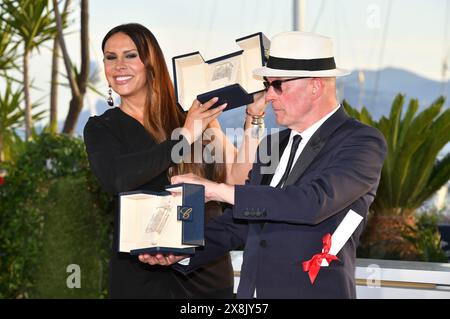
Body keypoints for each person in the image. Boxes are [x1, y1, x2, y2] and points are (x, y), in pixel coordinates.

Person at [139, 31, 388, 299]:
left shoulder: (361, 141)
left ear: (316, 86)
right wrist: (177, 250)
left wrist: (216, 190)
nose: (268, 96)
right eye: (267, 84)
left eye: (278, 84)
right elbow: (242, 222)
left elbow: (312, 202)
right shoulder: (275, 144)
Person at [83, 23, 267, 298]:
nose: (119, 65)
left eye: (130, 55)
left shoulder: (195, 115)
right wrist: (183, 140)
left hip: (207, 272)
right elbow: (117, 178)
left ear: (151, 62)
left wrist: (253, 117)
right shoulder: (101, 128)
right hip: (141, 276)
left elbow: (237, 181)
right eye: (111, 57)